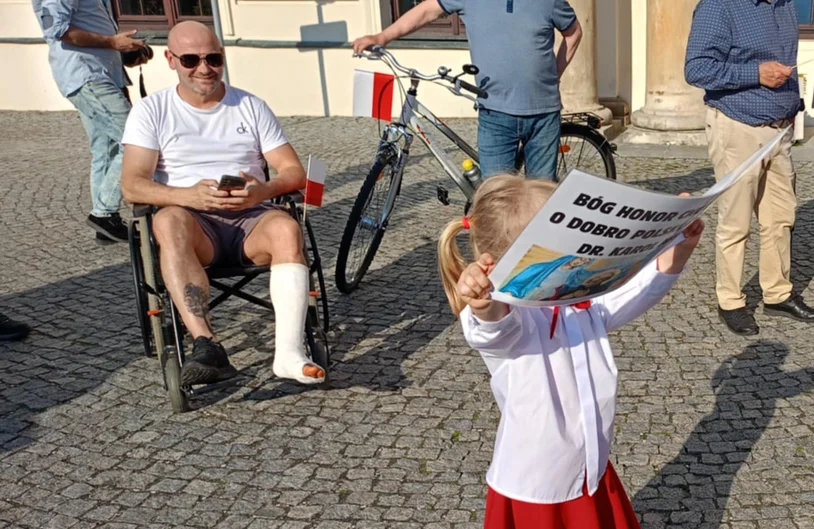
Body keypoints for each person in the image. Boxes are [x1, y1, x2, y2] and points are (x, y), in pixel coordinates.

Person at [438, 174, 703, 529]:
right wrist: (482, 302)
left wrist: (677, 246)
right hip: (537, 484)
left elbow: (630, 297)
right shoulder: (511, 315)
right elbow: (491, 329)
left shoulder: (577, 299)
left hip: (589, 464)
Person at [120, 22, 323, 388]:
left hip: (251, 218)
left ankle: (289, 354)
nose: (204, 68)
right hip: (194, 224)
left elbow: (294, 172)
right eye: (191, 59)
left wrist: (262, 190)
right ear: (170, 59)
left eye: (213, 58)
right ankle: (207, 345)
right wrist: (186, 196)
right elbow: (132, 185)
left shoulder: (250, 106)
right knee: (167, 222)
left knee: (286, 227)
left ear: (223, 56)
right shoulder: (151, 111)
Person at [684, 0, 814, 336]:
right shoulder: (719, 6)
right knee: (736, 220)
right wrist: (756, 73)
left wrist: (792, 104)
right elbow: (696, 69)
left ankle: (777, 293)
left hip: (780, 129)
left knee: (781, 216)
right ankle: (730, 301)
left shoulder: (785, 5)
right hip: (738, 126)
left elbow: (786, 64)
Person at [351, 0, 582, 181]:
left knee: (541, 196)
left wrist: (554, 75)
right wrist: (382, 36)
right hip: (495, 113)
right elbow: (427, 10)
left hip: (543, 115)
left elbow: (573, 33)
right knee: (495, 199)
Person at [33, 0, 151, 243]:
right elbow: (57, 29)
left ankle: (106, 223)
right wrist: (112, 43)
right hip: (87, 76)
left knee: (106, 150)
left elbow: (90, 27)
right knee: (136, 141)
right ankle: (104, 214)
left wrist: (124, 51)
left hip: (101, 74)